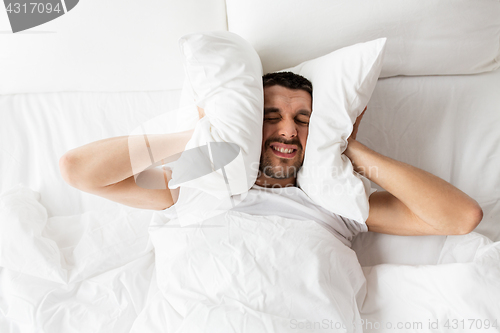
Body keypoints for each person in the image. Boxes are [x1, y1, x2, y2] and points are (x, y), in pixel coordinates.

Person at [59, 72, 483, 243]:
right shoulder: (191, 185)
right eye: (270, 117)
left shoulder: (334, 202)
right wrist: (204, 125)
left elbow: (460, 217)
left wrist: (348, 146)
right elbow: (79, 171)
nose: (288, 130)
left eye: (303, 119)